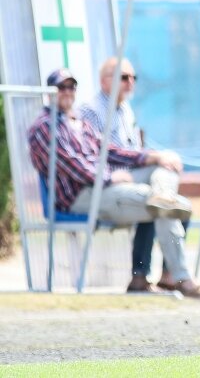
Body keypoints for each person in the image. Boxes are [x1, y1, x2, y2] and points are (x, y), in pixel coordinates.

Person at [28, 68, 200, 298]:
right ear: (49, 92)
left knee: (163, 170)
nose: (67, 92)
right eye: (61, 87)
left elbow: (110, 151)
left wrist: (152, 157)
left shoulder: (79, 121)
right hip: (82, 195)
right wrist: (109, 177)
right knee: (166, 206)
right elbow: (72, 165)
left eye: (71, 86)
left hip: (106, 187)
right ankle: (180, 278)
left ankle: (163, 201)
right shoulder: (44, 126)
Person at [80, 57, 190, 292]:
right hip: (109, 181)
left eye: (133, 77)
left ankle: (167, 274)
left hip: (132, 176)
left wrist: (154, 157)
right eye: (124, 77)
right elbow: (105, 152)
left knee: (171, 197)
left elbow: (133, 150)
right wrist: (150, 157)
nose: (130, 82)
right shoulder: (91, 111)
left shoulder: (125, 109)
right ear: (104, 81)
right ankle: (141, 274)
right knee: (155, 202)